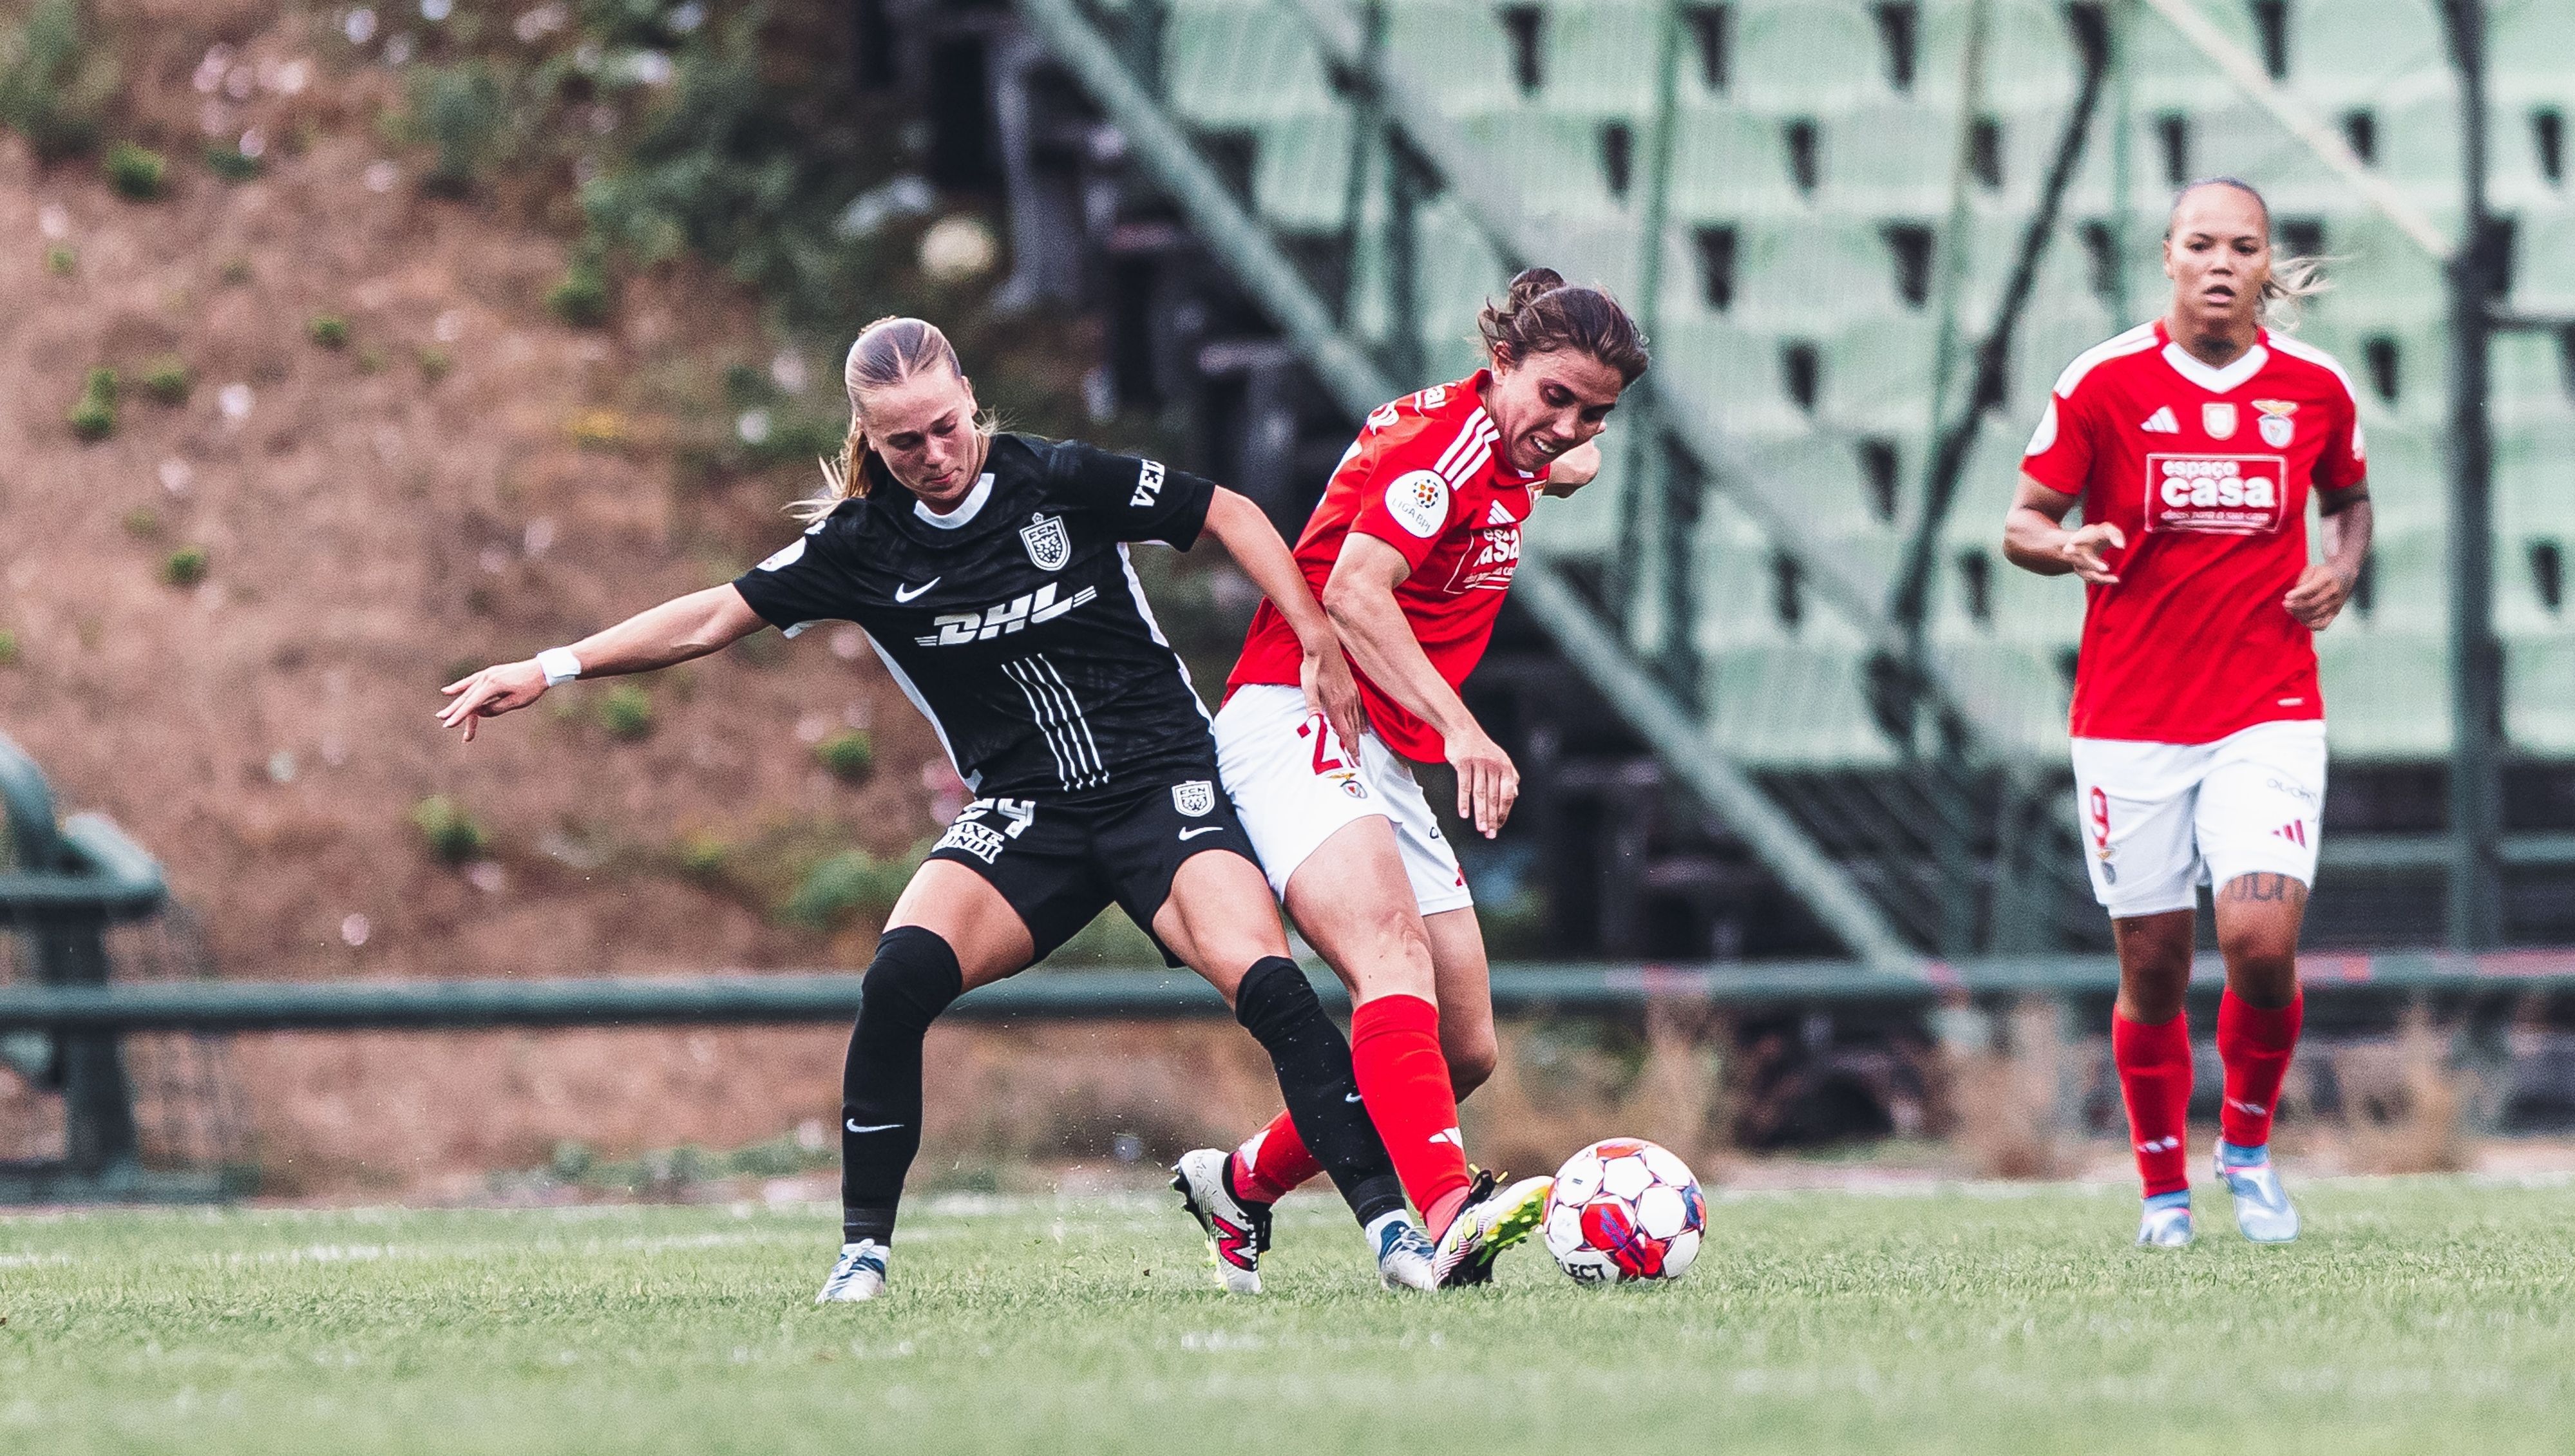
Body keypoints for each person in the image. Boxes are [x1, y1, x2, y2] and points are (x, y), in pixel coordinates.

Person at [437, 316, 1439, 1301]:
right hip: (1027, 814)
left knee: (1268, 984)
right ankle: (861, 1256)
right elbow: (709, 617)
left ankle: (1392, 1232)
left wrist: (1312, 635)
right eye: (902, 440)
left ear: (970, 401)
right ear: (868, 440)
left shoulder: (1054, 477)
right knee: (898, 977)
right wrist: (549, 665)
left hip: (1158, 785)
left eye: (946, 426)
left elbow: (1226, 510)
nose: (934, 453)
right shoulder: (858, 546)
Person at [1170, 268, 1647, 1291]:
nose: (1566, 426)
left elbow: (1570, 463)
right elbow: (1352, 590)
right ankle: (1444, 1216)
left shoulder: (1513, 446)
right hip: (1292, 711)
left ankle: (1242, 1182)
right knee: (1388, 950)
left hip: (1379, 745)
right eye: (1552, 397)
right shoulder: (1446, 449)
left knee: (1462, 1047)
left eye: (1593, 411)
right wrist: (1467, 732)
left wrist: (1561, 455)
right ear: (1499, 365)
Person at [2004, 178, 2373, 1247]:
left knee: (2259, 941)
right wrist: (2064, 544)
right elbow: (2022, 519)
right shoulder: (2104, 382)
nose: (2220, 261)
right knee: (2153, 969)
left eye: (2242, 244)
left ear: (2266, 264)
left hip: (2267, 706)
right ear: (2166, 256)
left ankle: (2247, 1154)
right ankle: (2162, 1192)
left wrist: (2339, 567)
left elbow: (2347, 498)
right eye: (2200, 242)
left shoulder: (2312, 387)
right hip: (2128, 719)